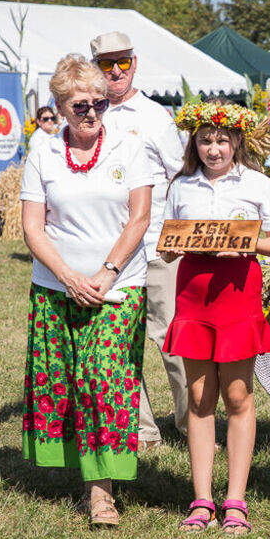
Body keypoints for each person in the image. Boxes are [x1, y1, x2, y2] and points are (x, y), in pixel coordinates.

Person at [19, 54, 153, 527]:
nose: (93, 113)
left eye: (100, 103)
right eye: (81, 106)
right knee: (67, 383)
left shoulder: (128, 146)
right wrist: (69, 278)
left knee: (102, 378)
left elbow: (139, 217)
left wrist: (107, 271)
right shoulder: (43, 151)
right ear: (59, 106)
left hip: (119, 285)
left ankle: (102, 495)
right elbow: (32, 227)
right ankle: (84, 476)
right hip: (56, 289)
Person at [162, 101, 270, 534]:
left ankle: (235, 499)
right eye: (204, 140)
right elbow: (165, 243)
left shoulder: (257, 183)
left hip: (238, 295)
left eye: (221, 140)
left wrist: (245, 244)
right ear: (193, 143)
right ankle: (201, 500)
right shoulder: (181, 186)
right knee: (199, 401)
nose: (213, 149)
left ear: (236, 140)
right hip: (194, 297)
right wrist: (174, 247)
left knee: (238, 397)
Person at [91, 31, 189, 450]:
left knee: (173, 343)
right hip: (110, 252)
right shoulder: (86, 117)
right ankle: (144, 431)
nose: (115, 72)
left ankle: (193, 427)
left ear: (136, 63)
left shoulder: (155, 117)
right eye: (106, 64)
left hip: (158, 247)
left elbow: (182, 179)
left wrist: (181, 237)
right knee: (121, 343)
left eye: (123, 63)